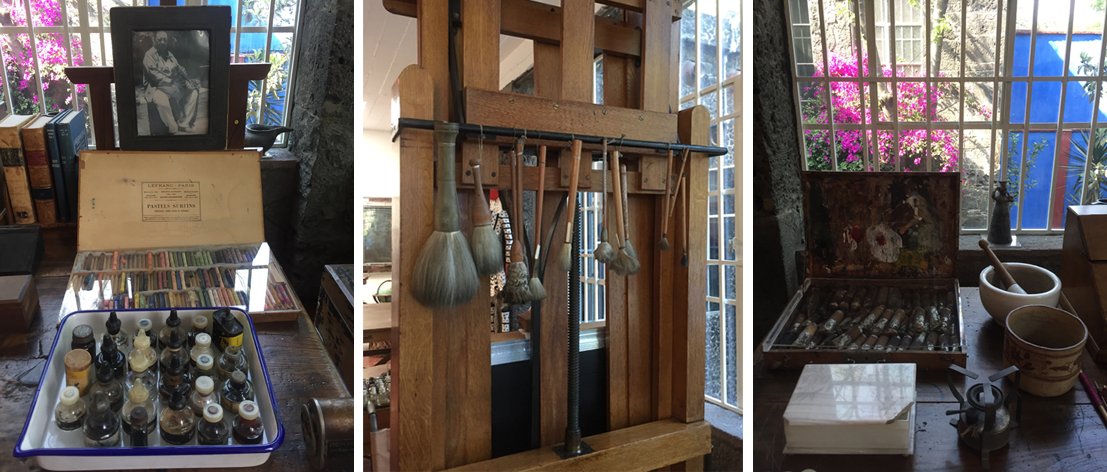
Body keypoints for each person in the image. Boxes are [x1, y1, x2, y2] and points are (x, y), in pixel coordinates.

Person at [142, 31, 199, 135]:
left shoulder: (169, 54)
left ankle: (184, 123)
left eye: (165, 40)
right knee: (161, 101)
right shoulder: (149, 55)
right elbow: (154, 75)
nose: (163, 42)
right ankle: (173, 129)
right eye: (160, 40)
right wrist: (172, 81)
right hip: (157, 87)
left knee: (193, 93)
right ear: (155, 40)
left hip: (174, 86)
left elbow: (177, 68)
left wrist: (185, 79)